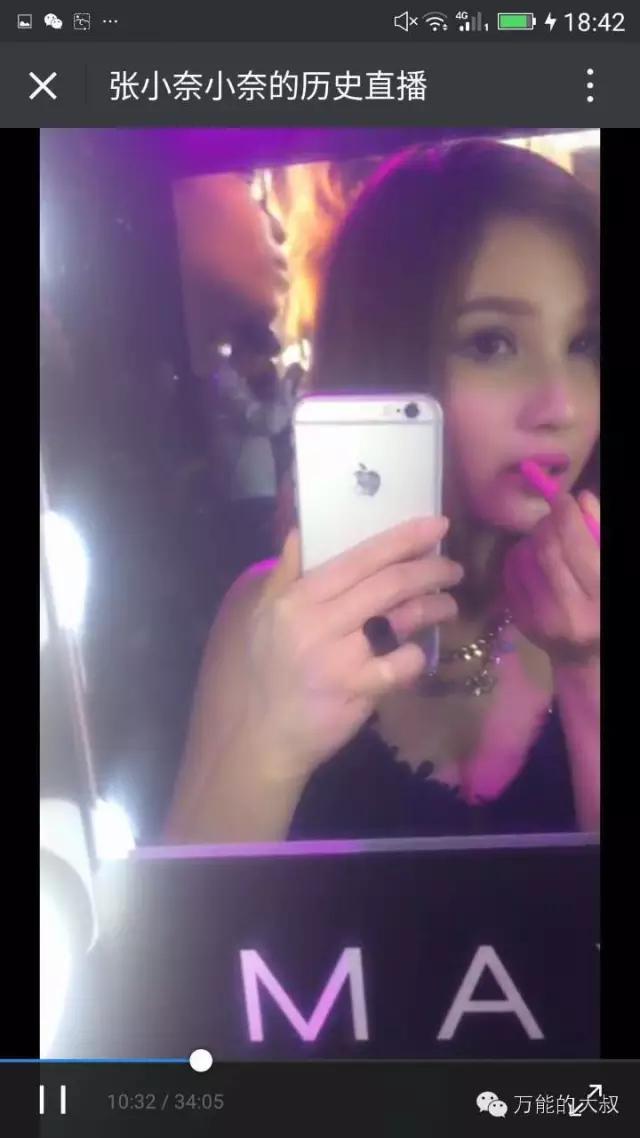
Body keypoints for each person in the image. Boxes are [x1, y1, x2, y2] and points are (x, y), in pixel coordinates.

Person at [166, 138, 600, 844]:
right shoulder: (273, 618)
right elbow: (188, 912)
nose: (564, 406)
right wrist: (271, 744)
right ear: (389, 353)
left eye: (585, 344)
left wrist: (589, 678)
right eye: (491, 343)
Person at [214, 321, 295, 576]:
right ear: (247, 353)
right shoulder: (225, 384)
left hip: (259, 491)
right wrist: (287, 386)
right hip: (246, 491)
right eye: (264, 357)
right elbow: (269, 422)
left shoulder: (240, 382)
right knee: (256, 572)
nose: (266, 365)